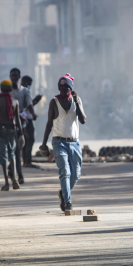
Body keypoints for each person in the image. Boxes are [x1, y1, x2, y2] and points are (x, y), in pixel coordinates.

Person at [40, 74, 87, 211]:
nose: (63, 89)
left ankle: (63, 193)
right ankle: (68, 202)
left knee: (76, 174)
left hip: (75, 143)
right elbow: (49, 124)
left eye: (66, 87)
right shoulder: (54, 102)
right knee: (65, 172)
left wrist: (77, 102)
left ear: (71, 88)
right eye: (60, 87)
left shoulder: (76, 101)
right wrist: (44, 144)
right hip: (59, 142)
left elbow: (83, 120)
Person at [0, 80, 24, 191]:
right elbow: (18, 119)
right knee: (12, 155)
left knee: (3, 155)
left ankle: (6, 183)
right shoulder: (15, 102)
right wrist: (21, 134)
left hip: (2, 129)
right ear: (10, 89)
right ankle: (14, 179)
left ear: (1, 88)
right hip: (12, 129)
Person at [18, 75, 43, 167]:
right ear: (25, 82)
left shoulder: (18, 91)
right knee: (30, 139)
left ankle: (25, 161)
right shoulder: (26, 91)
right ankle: (27, 161)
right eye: (29, 84)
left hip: (20, 118)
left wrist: (35, 101)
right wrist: (33, 114)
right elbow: (29, 105)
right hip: (27, 119)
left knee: (24, 140)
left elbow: (25, 105)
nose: (30, 86)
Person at [9, 67, 25, 183]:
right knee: (11, 153)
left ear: (19, 77)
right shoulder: (6, 94)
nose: (14, 77)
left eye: (16, 75)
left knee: (17, 152)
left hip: (18, 124)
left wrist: (21, 132)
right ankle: (15, 174)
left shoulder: (24, 91)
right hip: (8, 126)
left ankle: (18, 174)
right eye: (12, 75)